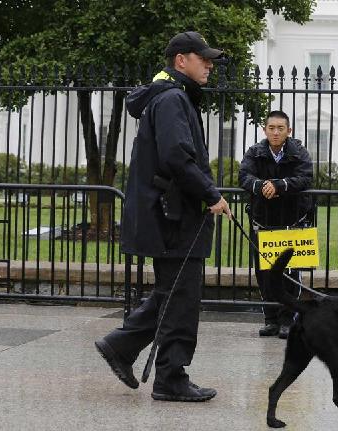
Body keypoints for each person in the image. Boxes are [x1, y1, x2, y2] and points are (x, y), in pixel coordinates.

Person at [94, 31, 231, 402]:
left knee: (173, 293)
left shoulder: (173, 96)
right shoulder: (172, 99)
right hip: (174, 216)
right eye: (203, 59)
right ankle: (170, 378)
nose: (209, 66)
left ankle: (121, 346)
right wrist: (211, 194)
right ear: (180, 60)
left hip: (171, 214)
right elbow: (177, 157)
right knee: (181, 298)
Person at [238, 110, 313, 338]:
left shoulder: (299, 152)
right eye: (272, 128)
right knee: (264, 273)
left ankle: (288, 320)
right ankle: (270, 319)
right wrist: (261, 186)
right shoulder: (255, 152)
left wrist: (280, 185)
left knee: (290, 273)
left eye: (281, 128)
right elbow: (244, 176)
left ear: (289, 131)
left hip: (293, 221)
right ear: (265, 130)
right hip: (264, 221)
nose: (276, 132)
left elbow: (305, 177)